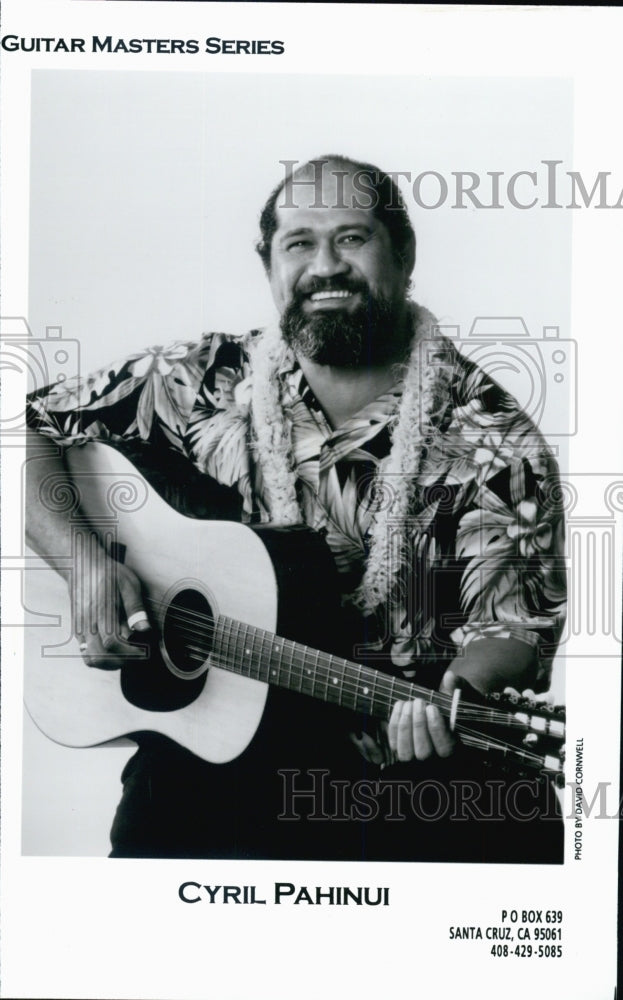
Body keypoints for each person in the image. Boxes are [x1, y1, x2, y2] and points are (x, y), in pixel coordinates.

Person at [25, 155, 566, 862]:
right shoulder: (198, 382)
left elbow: (513, 630)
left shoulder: (492, 439)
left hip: (397, 773)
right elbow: (25, 432)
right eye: (299, 243)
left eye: (351, 238)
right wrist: (83, 563)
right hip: (210, 760)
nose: (325, 266)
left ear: (403, 256)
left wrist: (460, 695)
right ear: (268, 263)